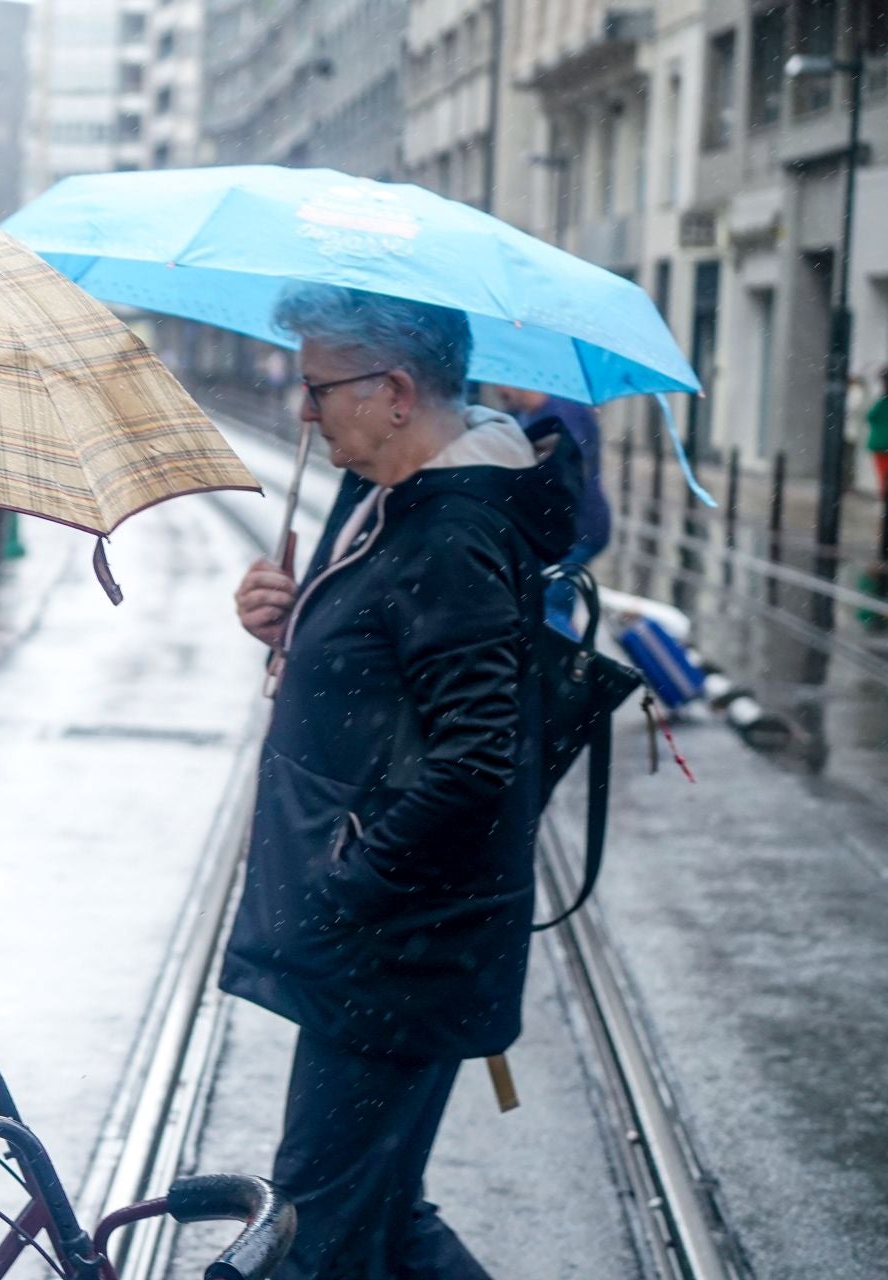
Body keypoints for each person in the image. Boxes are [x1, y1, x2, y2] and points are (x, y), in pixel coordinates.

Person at [227, 286, 581, 1279]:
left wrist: (349, 882)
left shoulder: (450, 533)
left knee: (310, 1232)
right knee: (377, 1219)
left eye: (318, 388)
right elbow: (389, 693)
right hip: (394, 942)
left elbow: (476, 757)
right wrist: (290, 624)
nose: (304, 411)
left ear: (393, 392)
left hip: (394, 948)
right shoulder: (393, 504)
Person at [492, 383, 610, 634]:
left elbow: (566, 473)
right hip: (558, 530)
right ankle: (571, 649)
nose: (498, 391)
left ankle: (570, 655)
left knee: (549, 609)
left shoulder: (564, 413)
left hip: (576, 530)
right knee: (553, 605)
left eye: (502, 386)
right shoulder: (527, 415)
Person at [868, 368, 888, 500]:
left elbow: (870, 416)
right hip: (887, 444)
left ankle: (885, 498)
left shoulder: (882, 402)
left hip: (880, 444)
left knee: (883, 473)